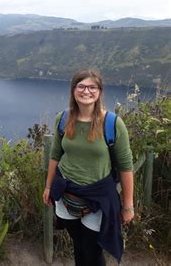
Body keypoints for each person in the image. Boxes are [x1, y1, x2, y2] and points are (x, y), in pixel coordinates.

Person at [42, 69, 134, 266]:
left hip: (97, 198)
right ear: (73, 90)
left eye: (92, 87)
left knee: (92, 251)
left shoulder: (113, 124)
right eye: (81, 86)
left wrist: (128, 206)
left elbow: (126, 167)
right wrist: (48, 187)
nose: (86, 91)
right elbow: (55, 154)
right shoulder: (63, 118)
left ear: (99, 92)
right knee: (79, 245)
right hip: (67, 194)